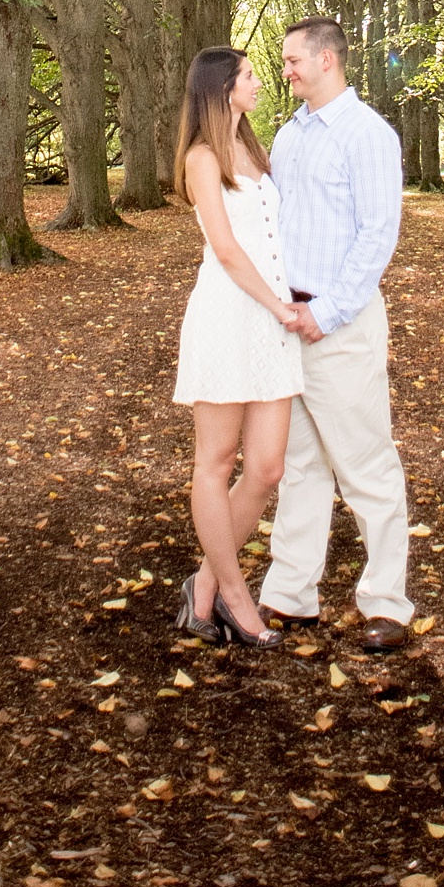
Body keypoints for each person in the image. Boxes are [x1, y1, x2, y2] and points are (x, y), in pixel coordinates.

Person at [258, 17, 414, 653]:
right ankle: (292, 594)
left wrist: (325, 311)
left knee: (366, 464)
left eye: (294, 60)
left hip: (339, 325)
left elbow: (378, 235)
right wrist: (280, 307)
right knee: (299, 467)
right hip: (286, 324)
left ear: (327, 60)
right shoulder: (288, 136)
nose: (286, 70)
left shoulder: (367, 134)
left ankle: (387, 604)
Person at [171, 45, 305, 648]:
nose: (259, 82)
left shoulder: (255, 148)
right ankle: (233, 592)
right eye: (249, 75)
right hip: (229, 316)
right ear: (222, 87)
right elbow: (226, 250)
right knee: (217, 461)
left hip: (271, 320)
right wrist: (280, 307)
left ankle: (204, 583)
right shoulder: (202, 158)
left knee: (268, 465)